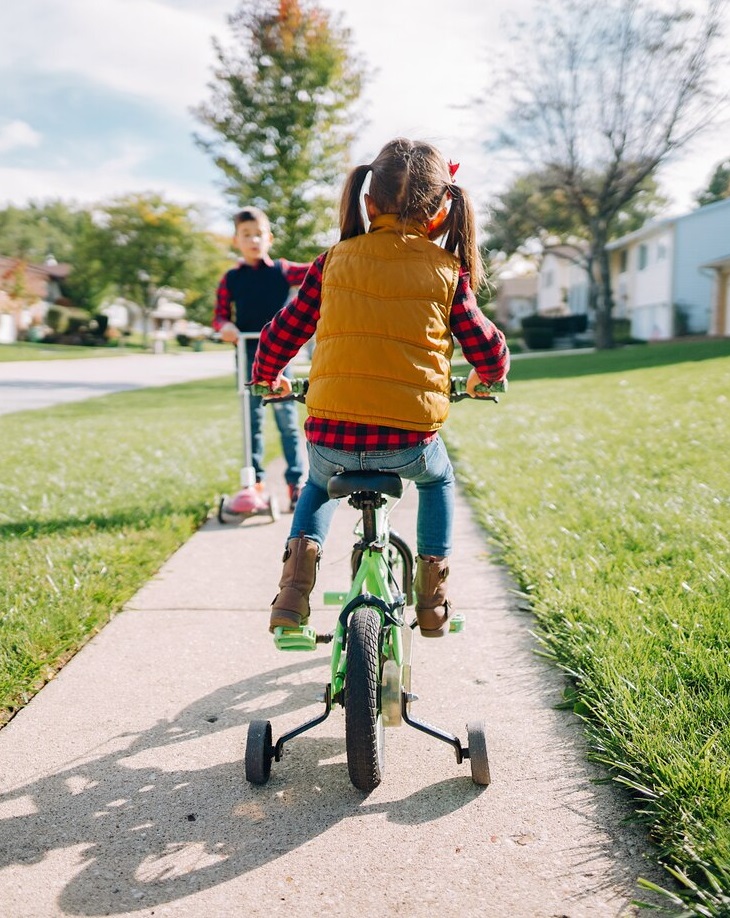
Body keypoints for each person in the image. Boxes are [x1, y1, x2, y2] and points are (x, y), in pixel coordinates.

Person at [252, 138, 510, 636]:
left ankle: (292, 593)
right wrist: (487, 377)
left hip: (331, 436)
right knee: (439, 480)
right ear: (441, 213)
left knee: (316, 484)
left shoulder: (331, 262)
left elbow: (281, 332)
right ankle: (432, 598)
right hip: (408, 442)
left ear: (368, 204)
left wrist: (269, 376)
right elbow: (487, 347)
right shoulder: (447, 272)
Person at [212, 206, 309, 511]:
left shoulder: (283, 271)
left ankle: (296, 483)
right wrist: (224, 326)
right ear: (236, 241)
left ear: (269, 238)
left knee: (288, 423)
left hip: (279, 358)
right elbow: (220, 316)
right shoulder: (231, 279)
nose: (253, 240)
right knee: (251, 421)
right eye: (246, 235)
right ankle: (254, 483)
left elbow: (316, 272)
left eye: (258, 234)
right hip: (246, 355)